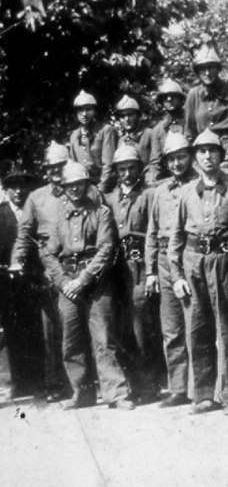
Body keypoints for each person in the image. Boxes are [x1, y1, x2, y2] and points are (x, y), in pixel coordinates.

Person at [168, 129, 228, 416]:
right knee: (197, 328)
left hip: (225, 262)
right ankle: (203, 394)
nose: (207, 156)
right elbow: (175, 238)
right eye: (202, 152)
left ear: (221, 154)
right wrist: (177, 275)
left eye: (212, 151)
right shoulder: (186, 192)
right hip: (193, 263)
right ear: (195, 157)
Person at [42, 161, 135, 410]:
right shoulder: (58, 217)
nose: (74, 189)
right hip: (68, 283)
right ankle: (81, 393)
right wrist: (64, 282)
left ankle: (116, 393)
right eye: (69, 185)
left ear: (87, 185)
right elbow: (49, 254)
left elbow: (106, 249)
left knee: (104, 338)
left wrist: (83, 280)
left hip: (96, 282)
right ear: (63, 187)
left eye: (79, 184)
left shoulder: (101, 212)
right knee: (71, 341)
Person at [10, 143, 74, 402]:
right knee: (53, 328)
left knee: (81, 325)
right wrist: (17, 259)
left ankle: (86, 380)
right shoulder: (36, 198)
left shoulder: (80, 189)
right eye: (52, 168)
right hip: (49, 268)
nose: (56, 171)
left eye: (60, 166)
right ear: (46, 171)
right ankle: (56, 382)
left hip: (77, 264)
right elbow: (25, 234)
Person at [105, 145, 162, 404]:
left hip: (140, 265)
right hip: (116, 269)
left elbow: (156, 231)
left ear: (139, 169)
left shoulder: (150, 195)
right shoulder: (108, 199)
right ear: (116, 172)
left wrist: (152, 269)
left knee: (143, 326)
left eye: (131, 168)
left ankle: (149, 386)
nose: (127, 173)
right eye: (122, 169)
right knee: (120, 326)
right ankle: (130, 383)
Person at [144, 134, 197, 408]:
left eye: (181, 157)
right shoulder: (160, 191)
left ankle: (198, 386)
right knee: (172, 327)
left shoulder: (200, 185)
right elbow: (152, 232)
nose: (177, 163)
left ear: (190, 156)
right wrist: (151, 269)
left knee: (195, 325)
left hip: (189, 255)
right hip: (165, 259)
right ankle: (178, 387)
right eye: (171, 158)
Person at [1, 168, 46, 398]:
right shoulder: (0, 214)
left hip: (35, 278)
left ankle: (40, 381)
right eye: (12, 186)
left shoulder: (36, 211)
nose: (18, 191)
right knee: (13, 331)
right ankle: (19, 382)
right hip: (8, 283)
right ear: (6, 189)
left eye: (22, 186)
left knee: (38, 328)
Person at [184, 47, 228, 149]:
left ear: (218, 69)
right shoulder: (194, 94)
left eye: (210, 67)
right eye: (202, 69)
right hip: (205, 149)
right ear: (197, 72)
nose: (207, 73)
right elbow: (189, 129)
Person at [67, 90, 117, 193]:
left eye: (88, 109)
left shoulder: (105, 130)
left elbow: (108, 164)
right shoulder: (74, 136)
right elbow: (74, 167)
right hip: (83, 189)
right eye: (80, 110)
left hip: (105, 186)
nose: (84, 114)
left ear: (95, 111)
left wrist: (101, 189)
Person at [147, 79, 188, 184]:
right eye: (165, 97)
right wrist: (152, 179)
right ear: (162, 102)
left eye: (173, 96)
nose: (169, 99)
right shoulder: (158, 130)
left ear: (181, 99)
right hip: (170, 178)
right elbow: (156, 161)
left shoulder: (191, 122)